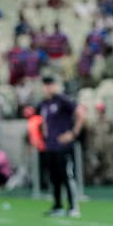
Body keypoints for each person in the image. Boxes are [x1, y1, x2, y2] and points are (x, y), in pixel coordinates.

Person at [39, 76, 85, 217]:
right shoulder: (44, 104)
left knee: (67, 176)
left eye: (50, 84)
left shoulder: (62, 100)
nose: (47, 88)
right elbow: (44, 122)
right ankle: (58, 205)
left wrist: (73, 133)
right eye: (45, 85)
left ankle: (73, 206)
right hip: (51, 145)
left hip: (63, 146)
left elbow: (81, 113)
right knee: (54, 178)